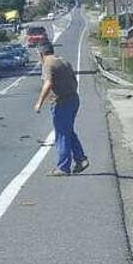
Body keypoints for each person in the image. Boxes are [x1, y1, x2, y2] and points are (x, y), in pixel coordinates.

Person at [33, 41, 89, 175]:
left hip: (62, 102)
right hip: (73, 99)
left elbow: (48, 83)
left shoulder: (48, 63)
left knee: (62, 134)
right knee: (68, 131)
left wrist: (39, 102)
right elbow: (74, 81)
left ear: (41, 53)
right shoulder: (63, 61)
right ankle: (80, 159)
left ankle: (63, 167)